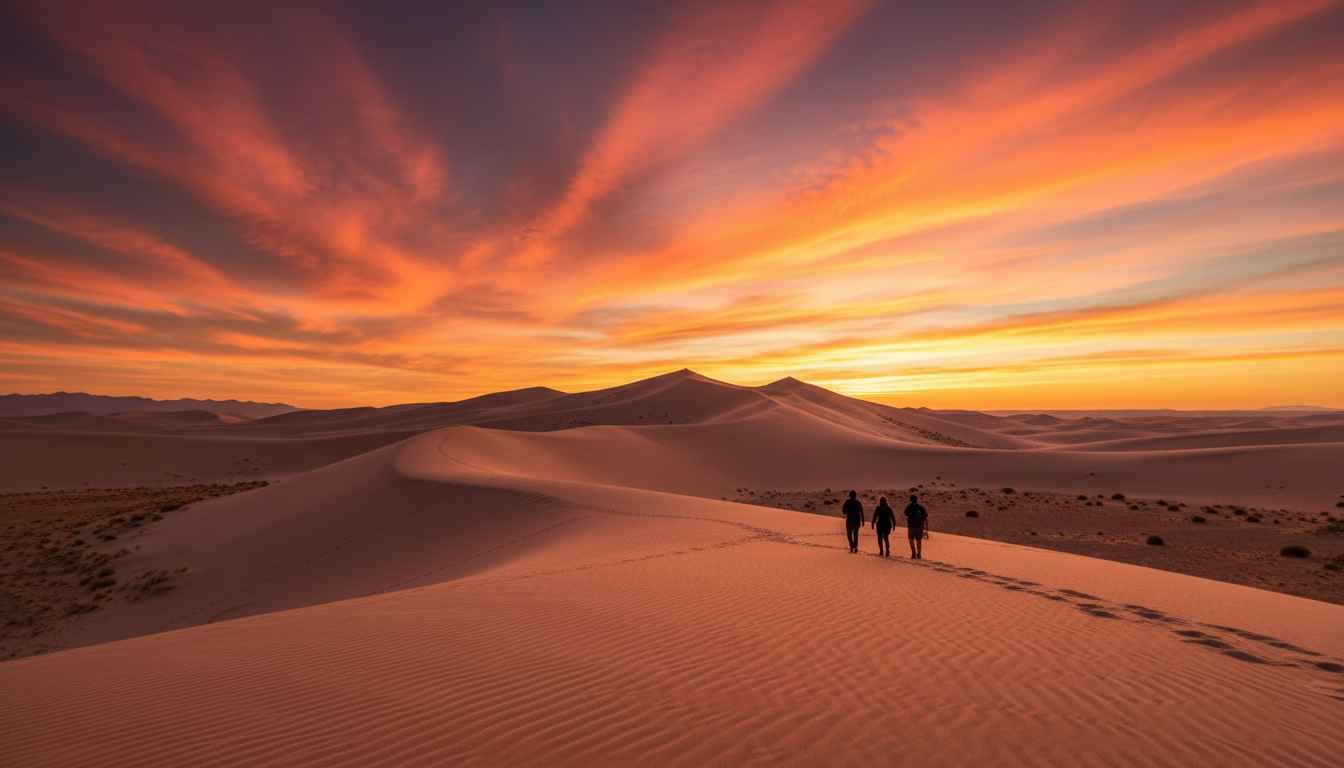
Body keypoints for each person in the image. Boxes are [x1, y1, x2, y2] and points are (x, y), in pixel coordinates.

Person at [904, 494, 928, 559]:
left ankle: (914, 553)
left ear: (911, 500)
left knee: (911, 540)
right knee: (918, 540)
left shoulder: (909, 507)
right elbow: (925, 516)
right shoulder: (921, 507)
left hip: (911, 526)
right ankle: (919, 554)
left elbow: (905, 513)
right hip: (919, 526)